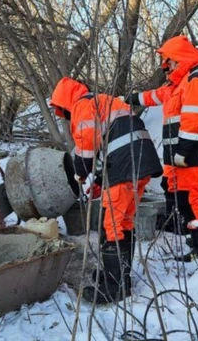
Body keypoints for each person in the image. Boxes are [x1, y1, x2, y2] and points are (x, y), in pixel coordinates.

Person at [49, 77, 162, 303]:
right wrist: (101, 179)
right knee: (124, 221)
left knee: (112, 225)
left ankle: (115, 286)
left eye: (61, 110)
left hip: (125, 164)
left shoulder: (82, 105)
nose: (64, 115)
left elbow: (87, 144)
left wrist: (80, 172)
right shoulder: (103, 101)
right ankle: (120, 277)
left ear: (64, 102)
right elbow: (112, 142)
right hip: (140, 162)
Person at [128, 36, 198, 260]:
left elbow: (194, 120)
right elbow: (155, 96)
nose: (168, 68)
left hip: (192, 155)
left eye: (171, 63)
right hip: (185, 156)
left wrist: (182, 152)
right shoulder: (180, 83)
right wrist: (128, 99)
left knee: (192, 199)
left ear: (180, 59)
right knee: (196, 198)